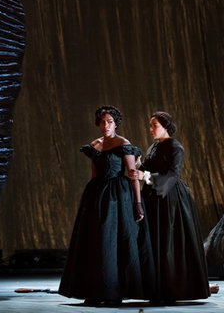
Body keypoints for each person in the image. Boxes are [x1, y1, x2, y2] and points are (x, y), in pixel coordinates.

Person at [58, 105, 155, 306]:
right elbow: (94, 175)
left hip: (119, 196)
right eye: (102, 122)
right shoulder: (94, 146)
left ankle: (114, 292)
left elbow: (132, 175)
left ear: (116, 123)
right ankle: (95, 291)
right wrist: (89, 199)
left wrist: (137, 203)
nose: (105, 125)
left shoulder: (123, 144)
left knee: (115, 242)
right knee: (96, 242)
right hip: (97, 196)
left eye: (109, 121)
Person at [129, 111, 217, 305]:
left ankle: (171, 287)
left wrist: (147, 177)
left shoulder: (175, 146)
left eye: (155, 125)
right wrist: (139, 167)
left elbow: (173, 173)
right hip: (153, 199)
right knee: (154, 241)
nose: (151, 129)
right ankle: (156, 287)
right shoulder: (153, 147)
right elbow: (148, 168)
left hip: (170, 199)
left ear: (166, 126)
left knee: (169, 241)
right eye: (150, 125)